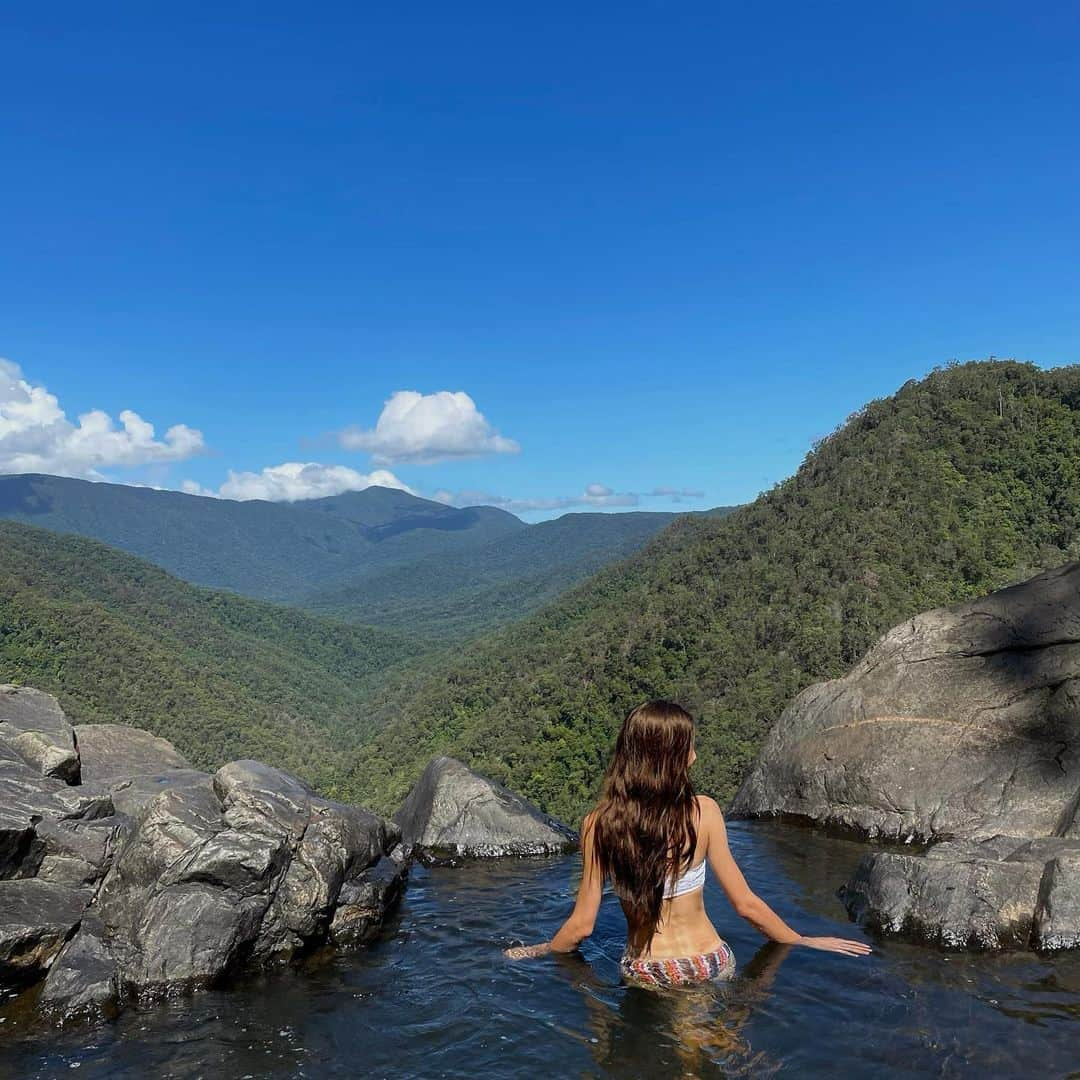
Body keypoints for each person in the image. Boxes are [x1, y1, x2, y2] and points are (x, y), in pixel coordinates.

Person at [504, 700, 872, 988]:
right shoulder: (705, 812)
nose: (694, 756)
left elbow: (582, 926)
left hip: (649, 969)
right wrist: (801, 939)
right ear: (669, 760)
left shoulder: (598, 825)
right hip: (708, 959)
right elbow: (745, 905)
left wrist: (542, 950)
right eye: (688, 749)